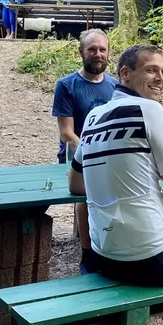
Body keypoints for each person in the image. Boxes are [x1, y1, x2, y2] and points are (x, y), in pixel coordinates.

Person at [68, 45, 163, 287]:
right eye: (151, 70)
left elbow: (75, 183)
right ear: (125, 73)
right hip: (154, 259)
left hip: (104, 258)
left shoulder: (93, 116)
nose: (160, 79)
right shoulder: (149, 109)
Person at [52, 29, 118, 273]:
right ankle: (88, 253)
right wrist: (93, 153)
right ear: (81, 52)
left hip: (110, 155)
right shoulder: (67, 85)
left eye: (102, 49)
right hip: (75, 155)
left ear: (108, 53)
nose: (97, 54)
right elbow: (66, 133)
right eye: (92, 49)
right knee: (89, 190)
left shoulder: (115, 86)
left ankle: (116, 248)